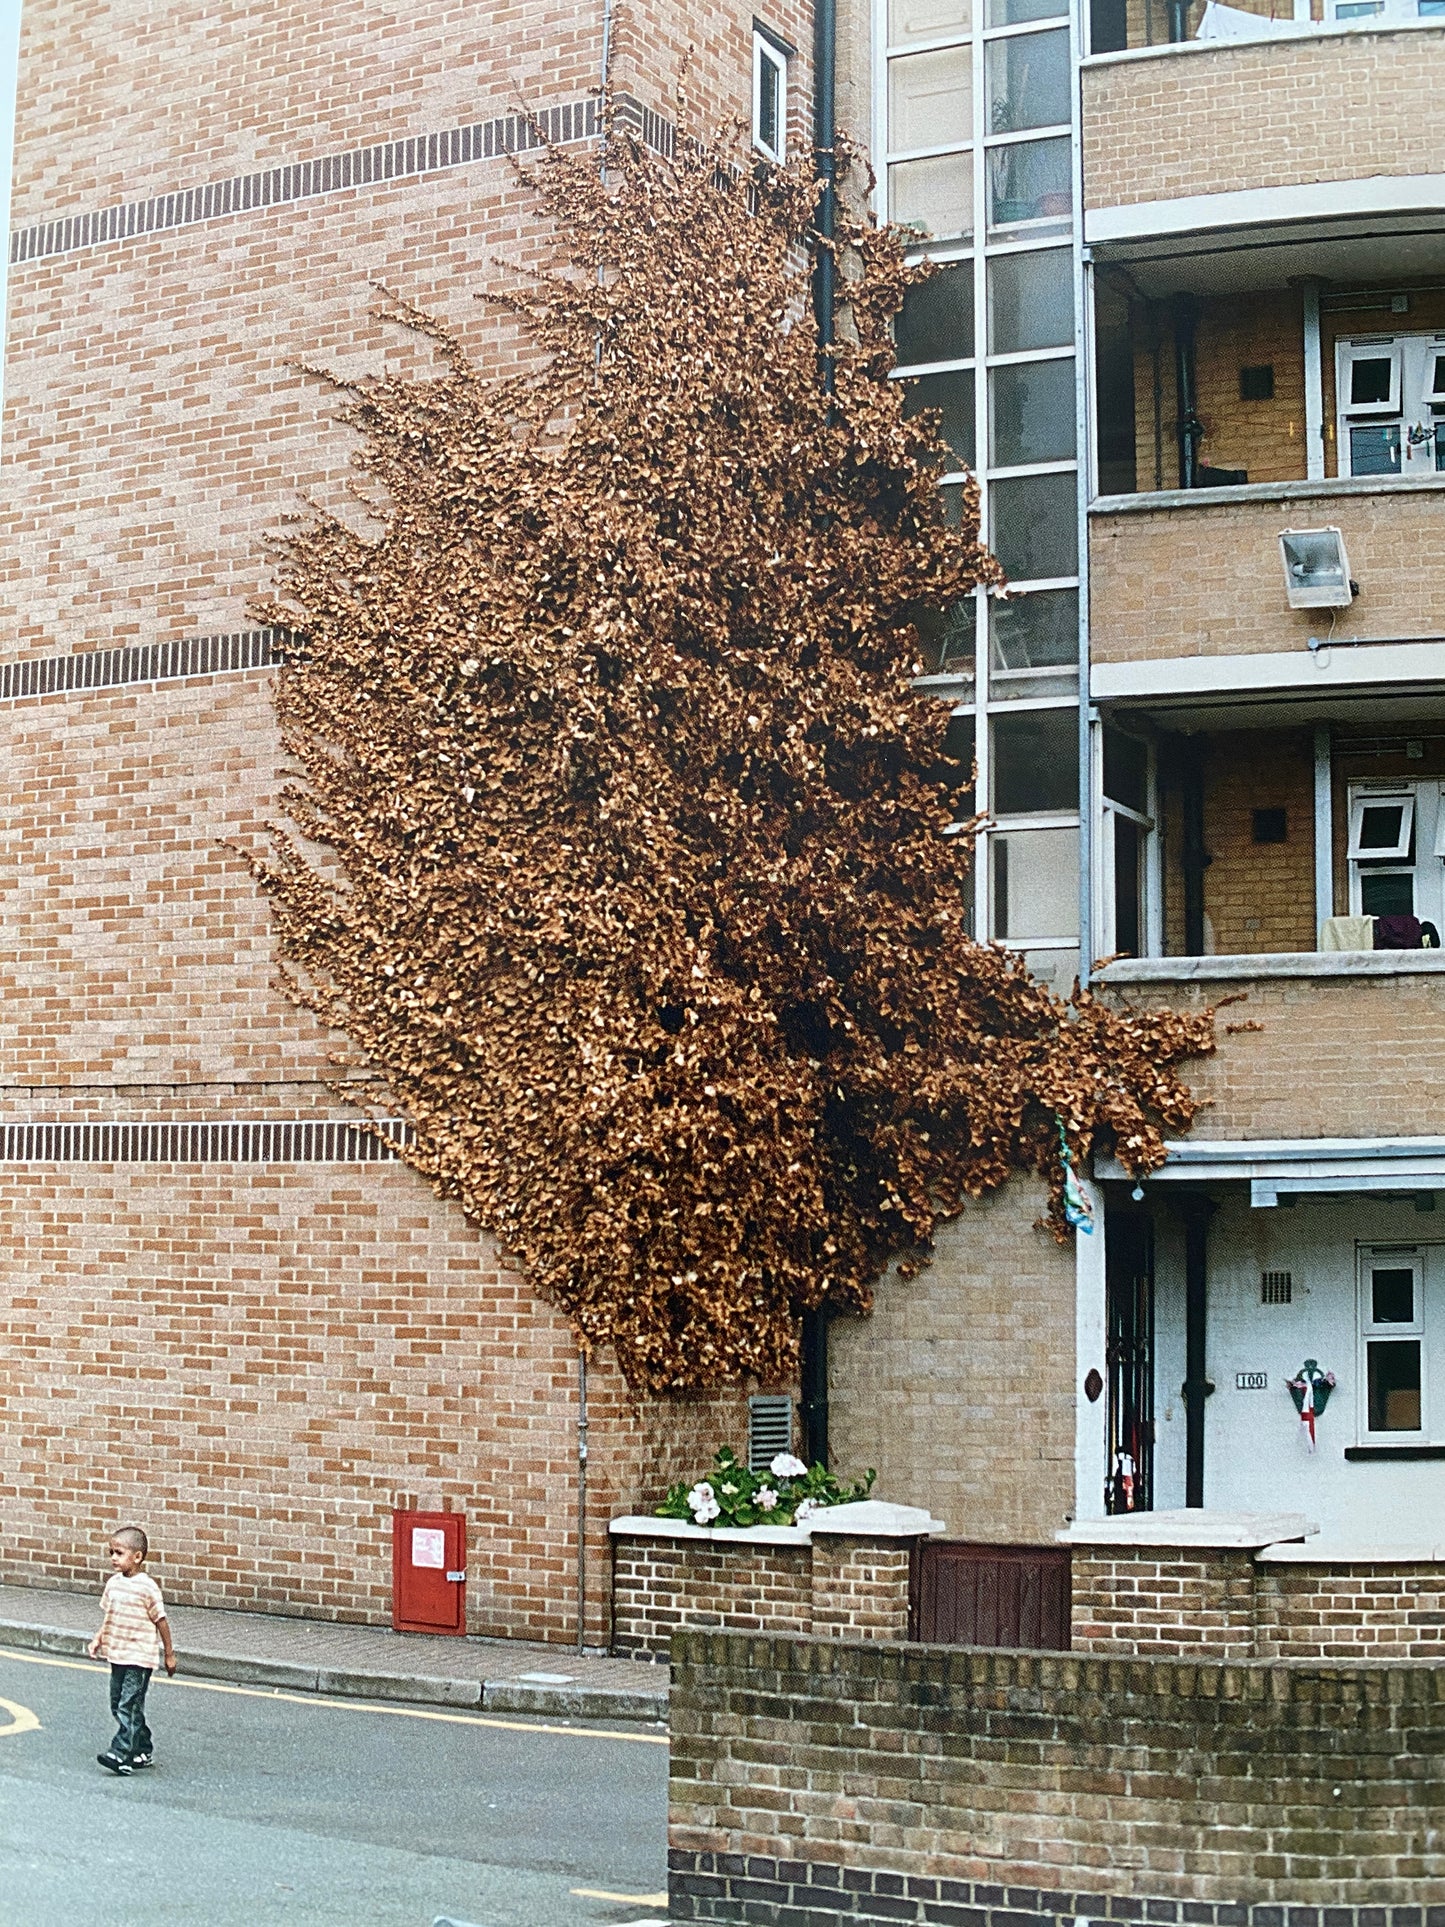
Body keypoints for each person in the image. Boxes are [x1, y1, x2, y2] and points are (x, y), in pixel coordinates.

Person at [87, 1525, 176, 1775]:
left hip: (139, 1657)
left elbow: (161, 1621)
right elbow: (109, 1617)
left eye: (119, 1553)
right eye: (111, 1553)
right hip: (118, 1654)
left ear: (137, 1557)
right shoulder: (113, 1584)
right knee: (118, 1704)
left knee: (128, 1705)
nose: (113, 1558)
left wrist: (169, 1654)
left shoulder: (147, 1587)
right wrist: (98, 1639)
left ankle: (121, 1753)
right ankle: (142, 1747)